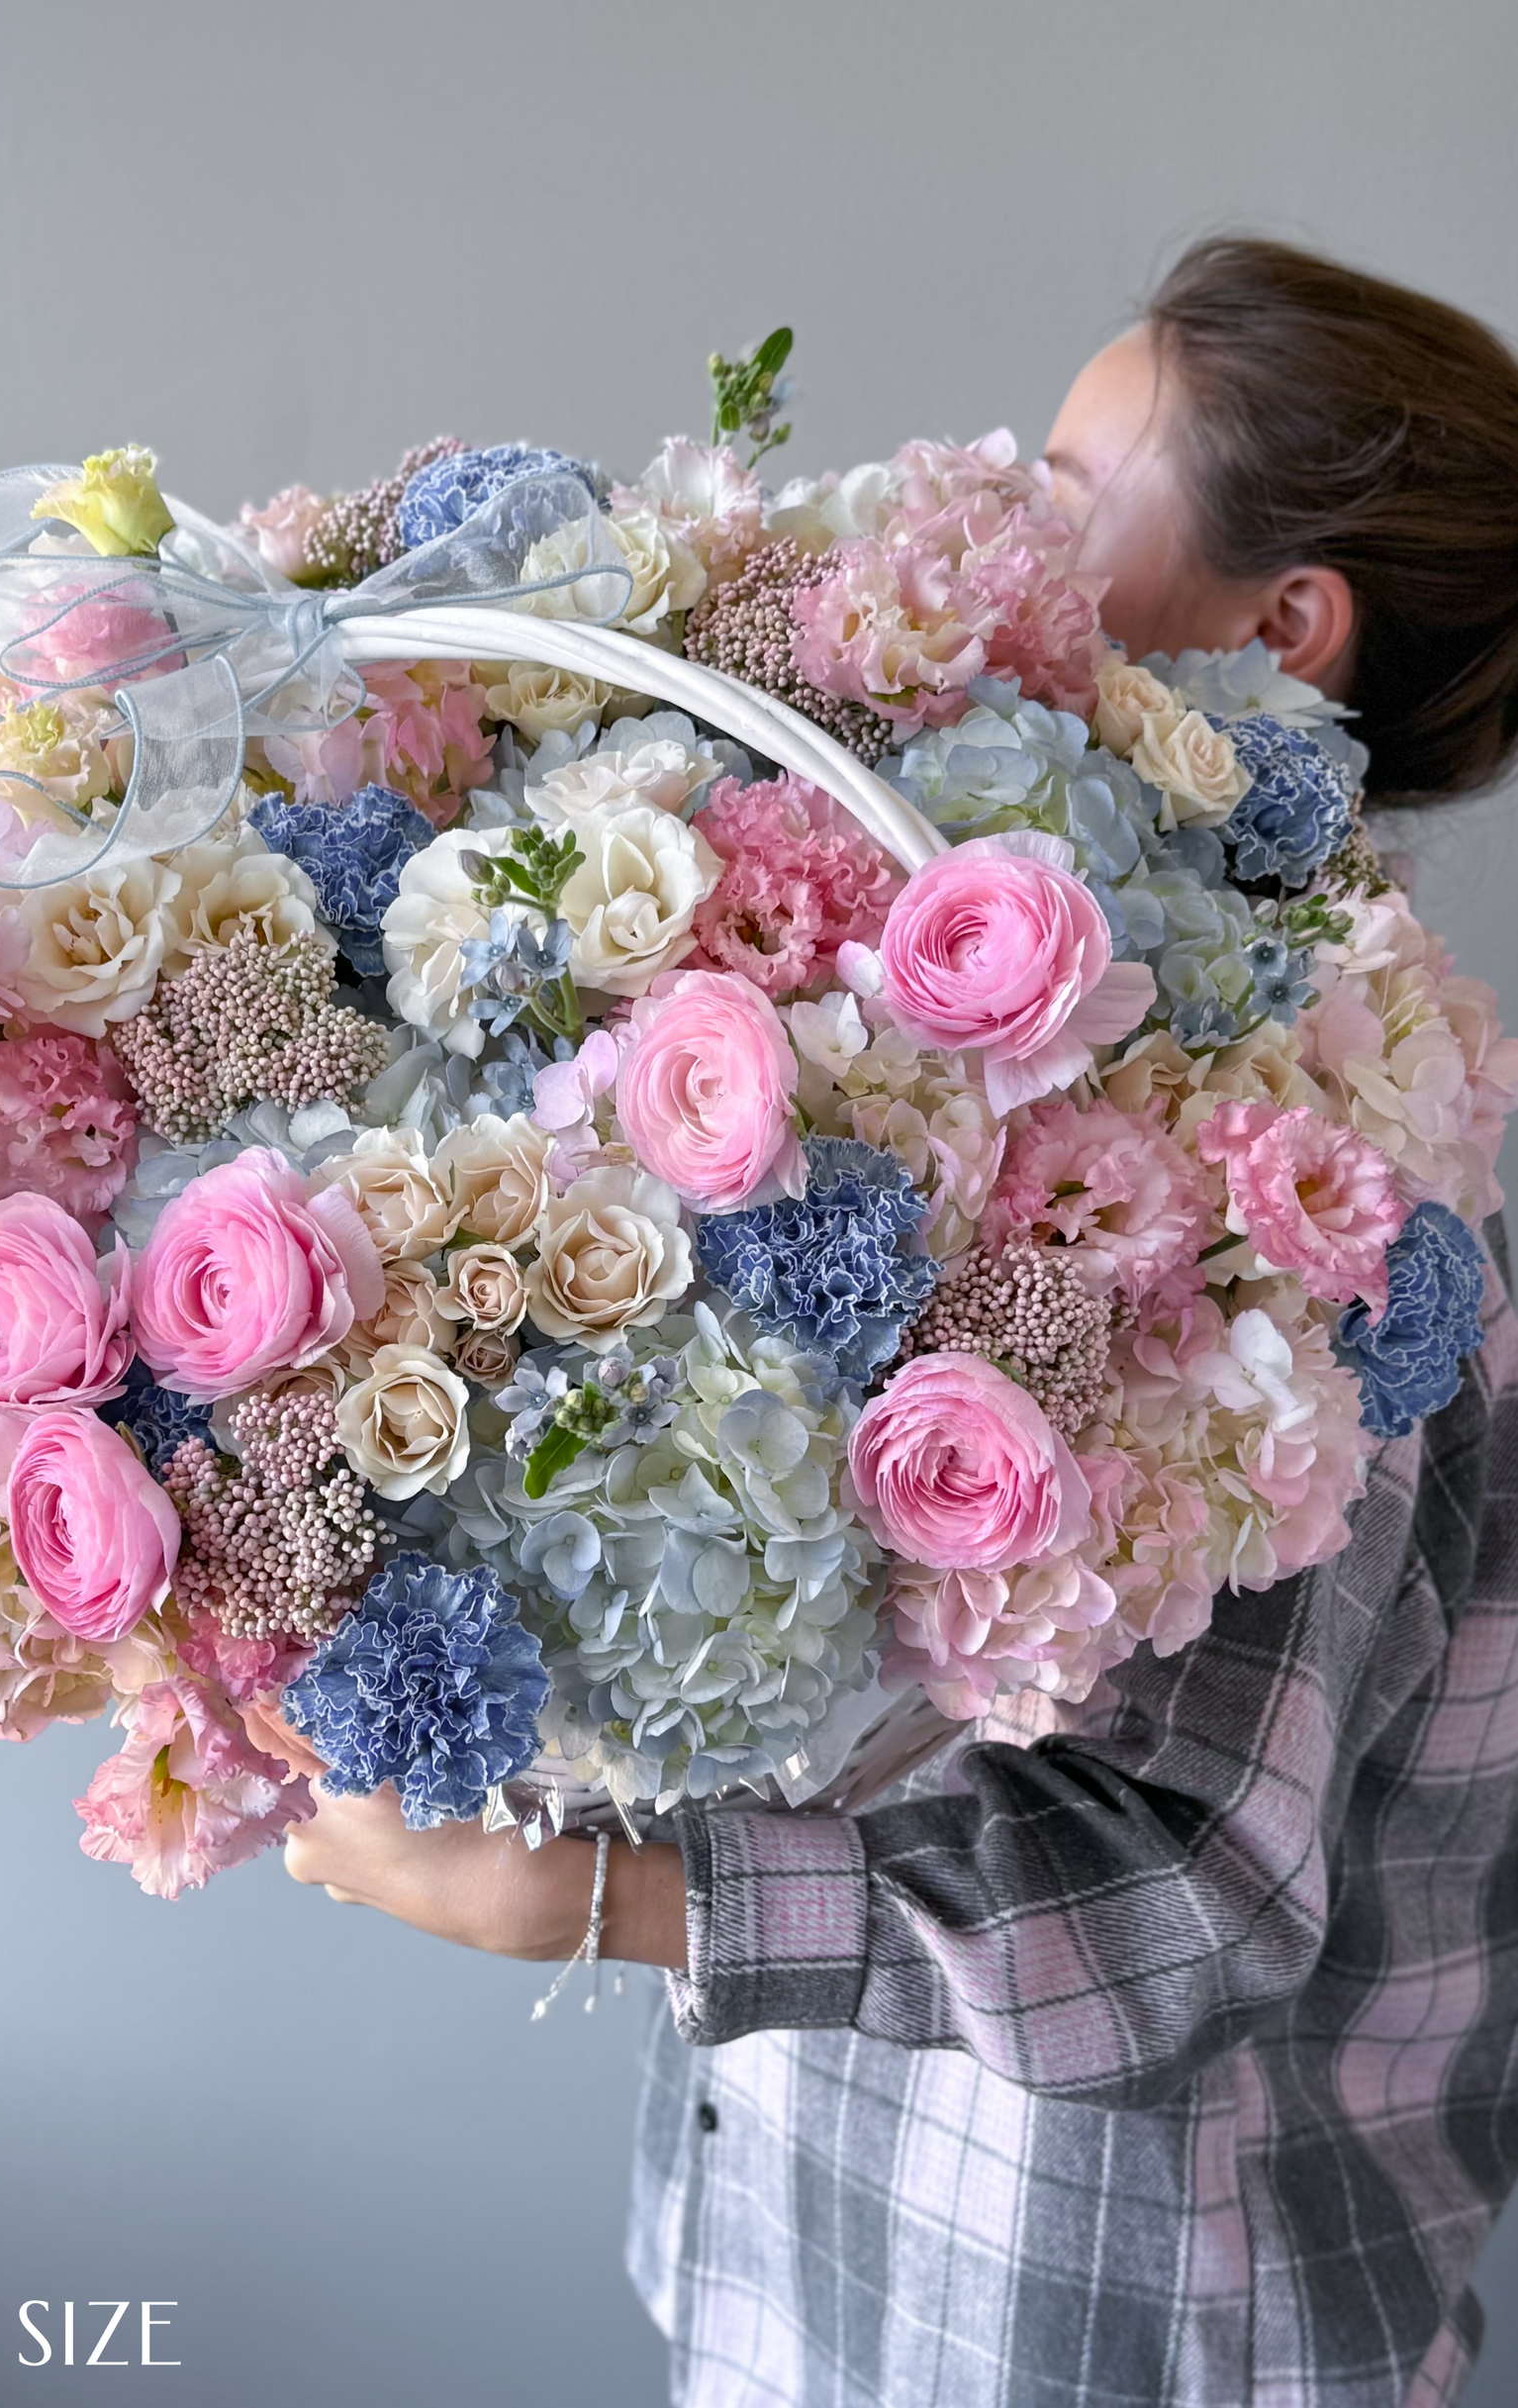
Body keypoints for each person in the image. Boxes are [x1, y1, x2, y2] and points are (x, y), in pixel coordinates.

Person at [258, 239, 1518, 2407]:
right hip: (805, 2260)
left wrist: (591, 1905)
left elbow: (1191, 1908)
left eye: (1065, 477)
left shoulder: (1321, 1191)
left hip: (1115, 2326)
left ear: (1282, 624)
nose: (1000, 529)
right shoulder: (1018, 1066)